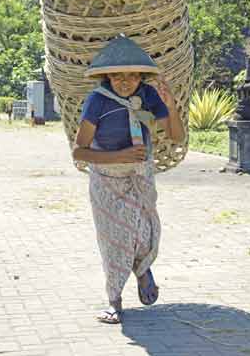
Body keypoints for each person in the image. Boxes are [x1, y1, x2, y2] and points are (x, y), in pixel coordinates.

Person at [72, 36, 185, 324]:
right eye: (117, 75)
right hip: (107, 177)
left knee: (145, 229)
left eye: (132, 75)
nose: (125, 82)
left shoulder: (147, 95)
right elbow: (80, 151)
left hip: (140, 174)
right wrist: (119, 156)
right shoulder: (98, 100)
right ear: (107, 76)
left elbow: (175, 136)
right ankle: (114, 300)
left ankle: (143, 269)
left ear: (141, 75)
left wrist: (170, 107)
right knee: (114, 238)